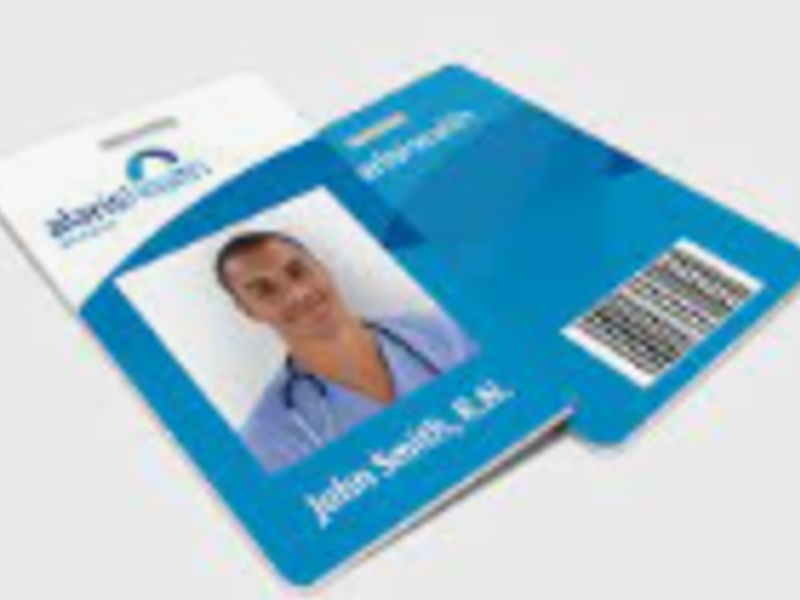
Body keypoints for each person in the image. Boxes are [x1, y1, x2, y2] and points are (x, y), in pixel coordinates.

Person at [215, 231, 475, 474]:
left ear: (323, 268)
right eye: (264, 290)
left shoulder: (448, 333)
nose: (296, 294)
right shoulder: (268, 438)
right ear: (248, 311)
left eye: (298, 271)